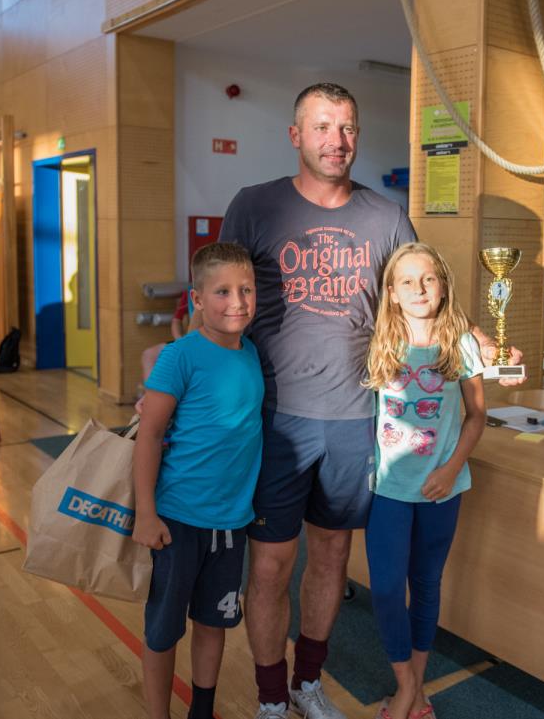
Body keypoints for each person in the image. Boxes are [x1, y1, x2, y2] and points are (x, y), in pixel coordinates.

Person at [220, 82, 519, 719]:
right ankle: (271, 699)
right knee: (270, 566)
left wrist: (480, 337)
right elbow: (221, 298)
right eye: (322, 127)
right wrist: (179, 374)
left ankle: (307, 683)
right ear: (296, 135)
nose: (337, 140)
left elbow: (421, 286)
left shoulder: (385, 216)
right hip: (276, 419)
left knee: (331, 555)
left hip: (358, 419)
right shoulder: (254, 205)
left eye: (348, 127)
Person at [131, 242, 263, 719]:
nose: (238, 302)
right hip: (178, 521)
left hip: (230, 523)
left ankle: (201, 711)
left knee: (213, 622)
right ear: (198, 299)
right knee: (164, 630)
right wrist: (147, 513)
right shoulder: (180, 357)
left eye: (246, 290)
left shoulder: (251, 352)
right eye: (223, 291)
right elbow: (149, 436)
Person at [362, 242, 485, 719]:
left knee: (426, 584)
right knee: (387, 589)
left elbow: (477, 416)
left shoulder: (461, 343)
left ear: (443, 286)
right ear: (392, 292)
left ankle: (413, 689)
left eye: (428, 279)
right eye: (408, 281)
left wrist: (451, 469)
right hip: (388, 490)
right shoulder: (379, 342)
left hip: (441, 490)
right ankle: (408, 686)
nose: (419, 289)